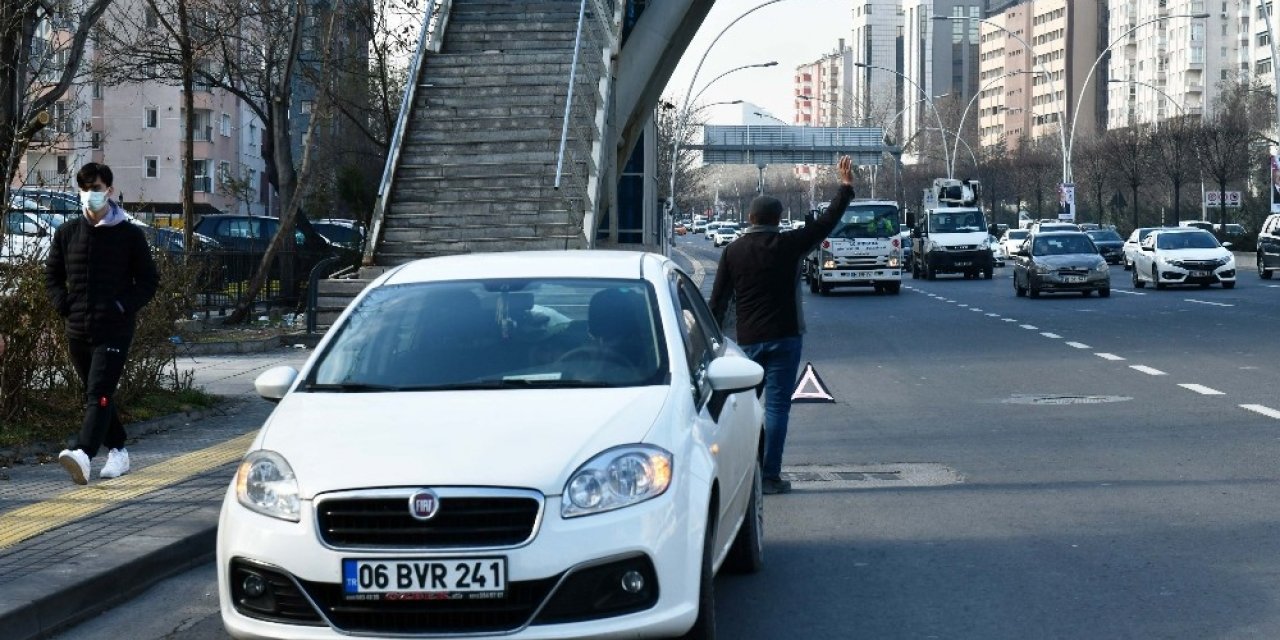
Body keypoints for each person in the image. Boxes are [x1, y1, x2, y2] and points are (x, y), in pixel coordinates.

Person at [709, 156, 855, 495]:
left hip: (746, 342)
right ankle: (771, 476)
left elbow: (717, 302)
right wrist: (845, 188)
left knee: (743, 409)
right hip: (786, 337)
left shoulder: (733, 252)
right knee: (777, 408)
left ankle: (743, 474)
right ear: (777, 220)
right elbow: (826, 223)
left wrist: (714, 344)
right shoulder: (790, 245)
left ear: (749, 219)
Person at [45, 162, 159, 485]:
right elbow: (52, 276)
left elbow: (149, 281)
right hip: (77, 330)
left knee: (99, 392)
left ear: (109, 190)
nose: (89, 195)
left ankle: (83, 454)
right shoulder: (67, 233)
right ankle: (119, 450)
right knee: (97, 393)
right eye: (84, 189)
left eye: (95, 188)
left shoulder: (129, 235)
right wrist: (63, 304)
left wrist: (123, 306)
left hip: (114, 329)